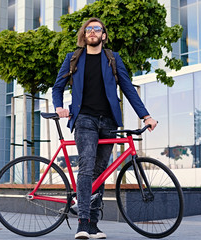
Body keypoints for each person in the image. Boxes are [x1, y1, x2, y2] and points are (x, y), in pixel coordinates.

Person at [52, 17, 158, 239]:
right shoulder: (73, 58)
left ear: (103, 35)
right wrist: (59, 107)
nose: (92, 32)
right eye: (88, 29)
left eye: (96, 29)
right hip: (84, 119)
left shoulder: (113, 58)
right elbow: (58, 87)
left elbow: (128, 88)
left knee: (100, 172)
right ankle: (82, 222)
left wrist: (146, 116)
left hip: (108, 121)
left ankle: (93, 225)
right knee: (87, 165)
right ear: (84, 34)